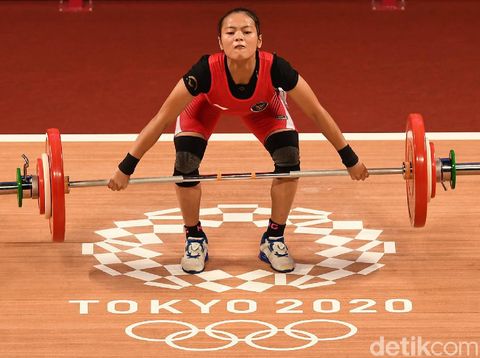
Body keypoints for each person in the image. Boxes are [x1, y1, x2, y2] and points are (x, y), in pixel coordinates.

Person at [108, 8, 369, 275]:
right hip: (205, 105)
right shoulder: (204, 71)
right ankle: (194, 238)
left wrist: (350, 158)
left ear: (260, 39)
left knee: (289, 157)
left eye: (247, 32)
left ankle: (274, 239)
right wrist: (126, 167)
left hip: (263, 108)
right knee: (185, 162)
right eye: (230, 33)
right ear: (220, 43)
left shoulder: (277, 68)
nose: (239, 38)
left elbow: (316, 111)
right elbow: (163, 118)